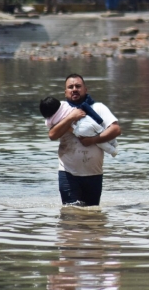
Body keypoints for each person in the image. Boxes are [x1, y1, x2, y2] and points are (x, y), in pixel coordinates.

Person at [47, 74, 121, 206]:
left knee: (92, 218)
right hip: (68, 174)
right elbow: (52, 135)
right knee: (70, 216)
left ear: (85, 89)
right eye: (70, 87)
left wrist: (93, 140)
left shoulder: (98, 108)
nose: (74, 89)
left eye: (78, 86)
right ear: (65, 92)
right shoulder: (59, 111)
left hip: (94, 174)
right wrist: (71, 117)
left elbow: (116, 130)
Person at [40, 96, 118, 157]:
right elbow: (52, 135)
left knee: (98, 141)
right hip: (86, 119)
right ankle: (114, 143)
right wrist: (72, 116)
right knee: (101, 131)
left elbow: (49, 126)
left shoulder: (51, 120)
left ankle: (112, 151)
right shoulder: (64, 104)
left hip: (79, 129)